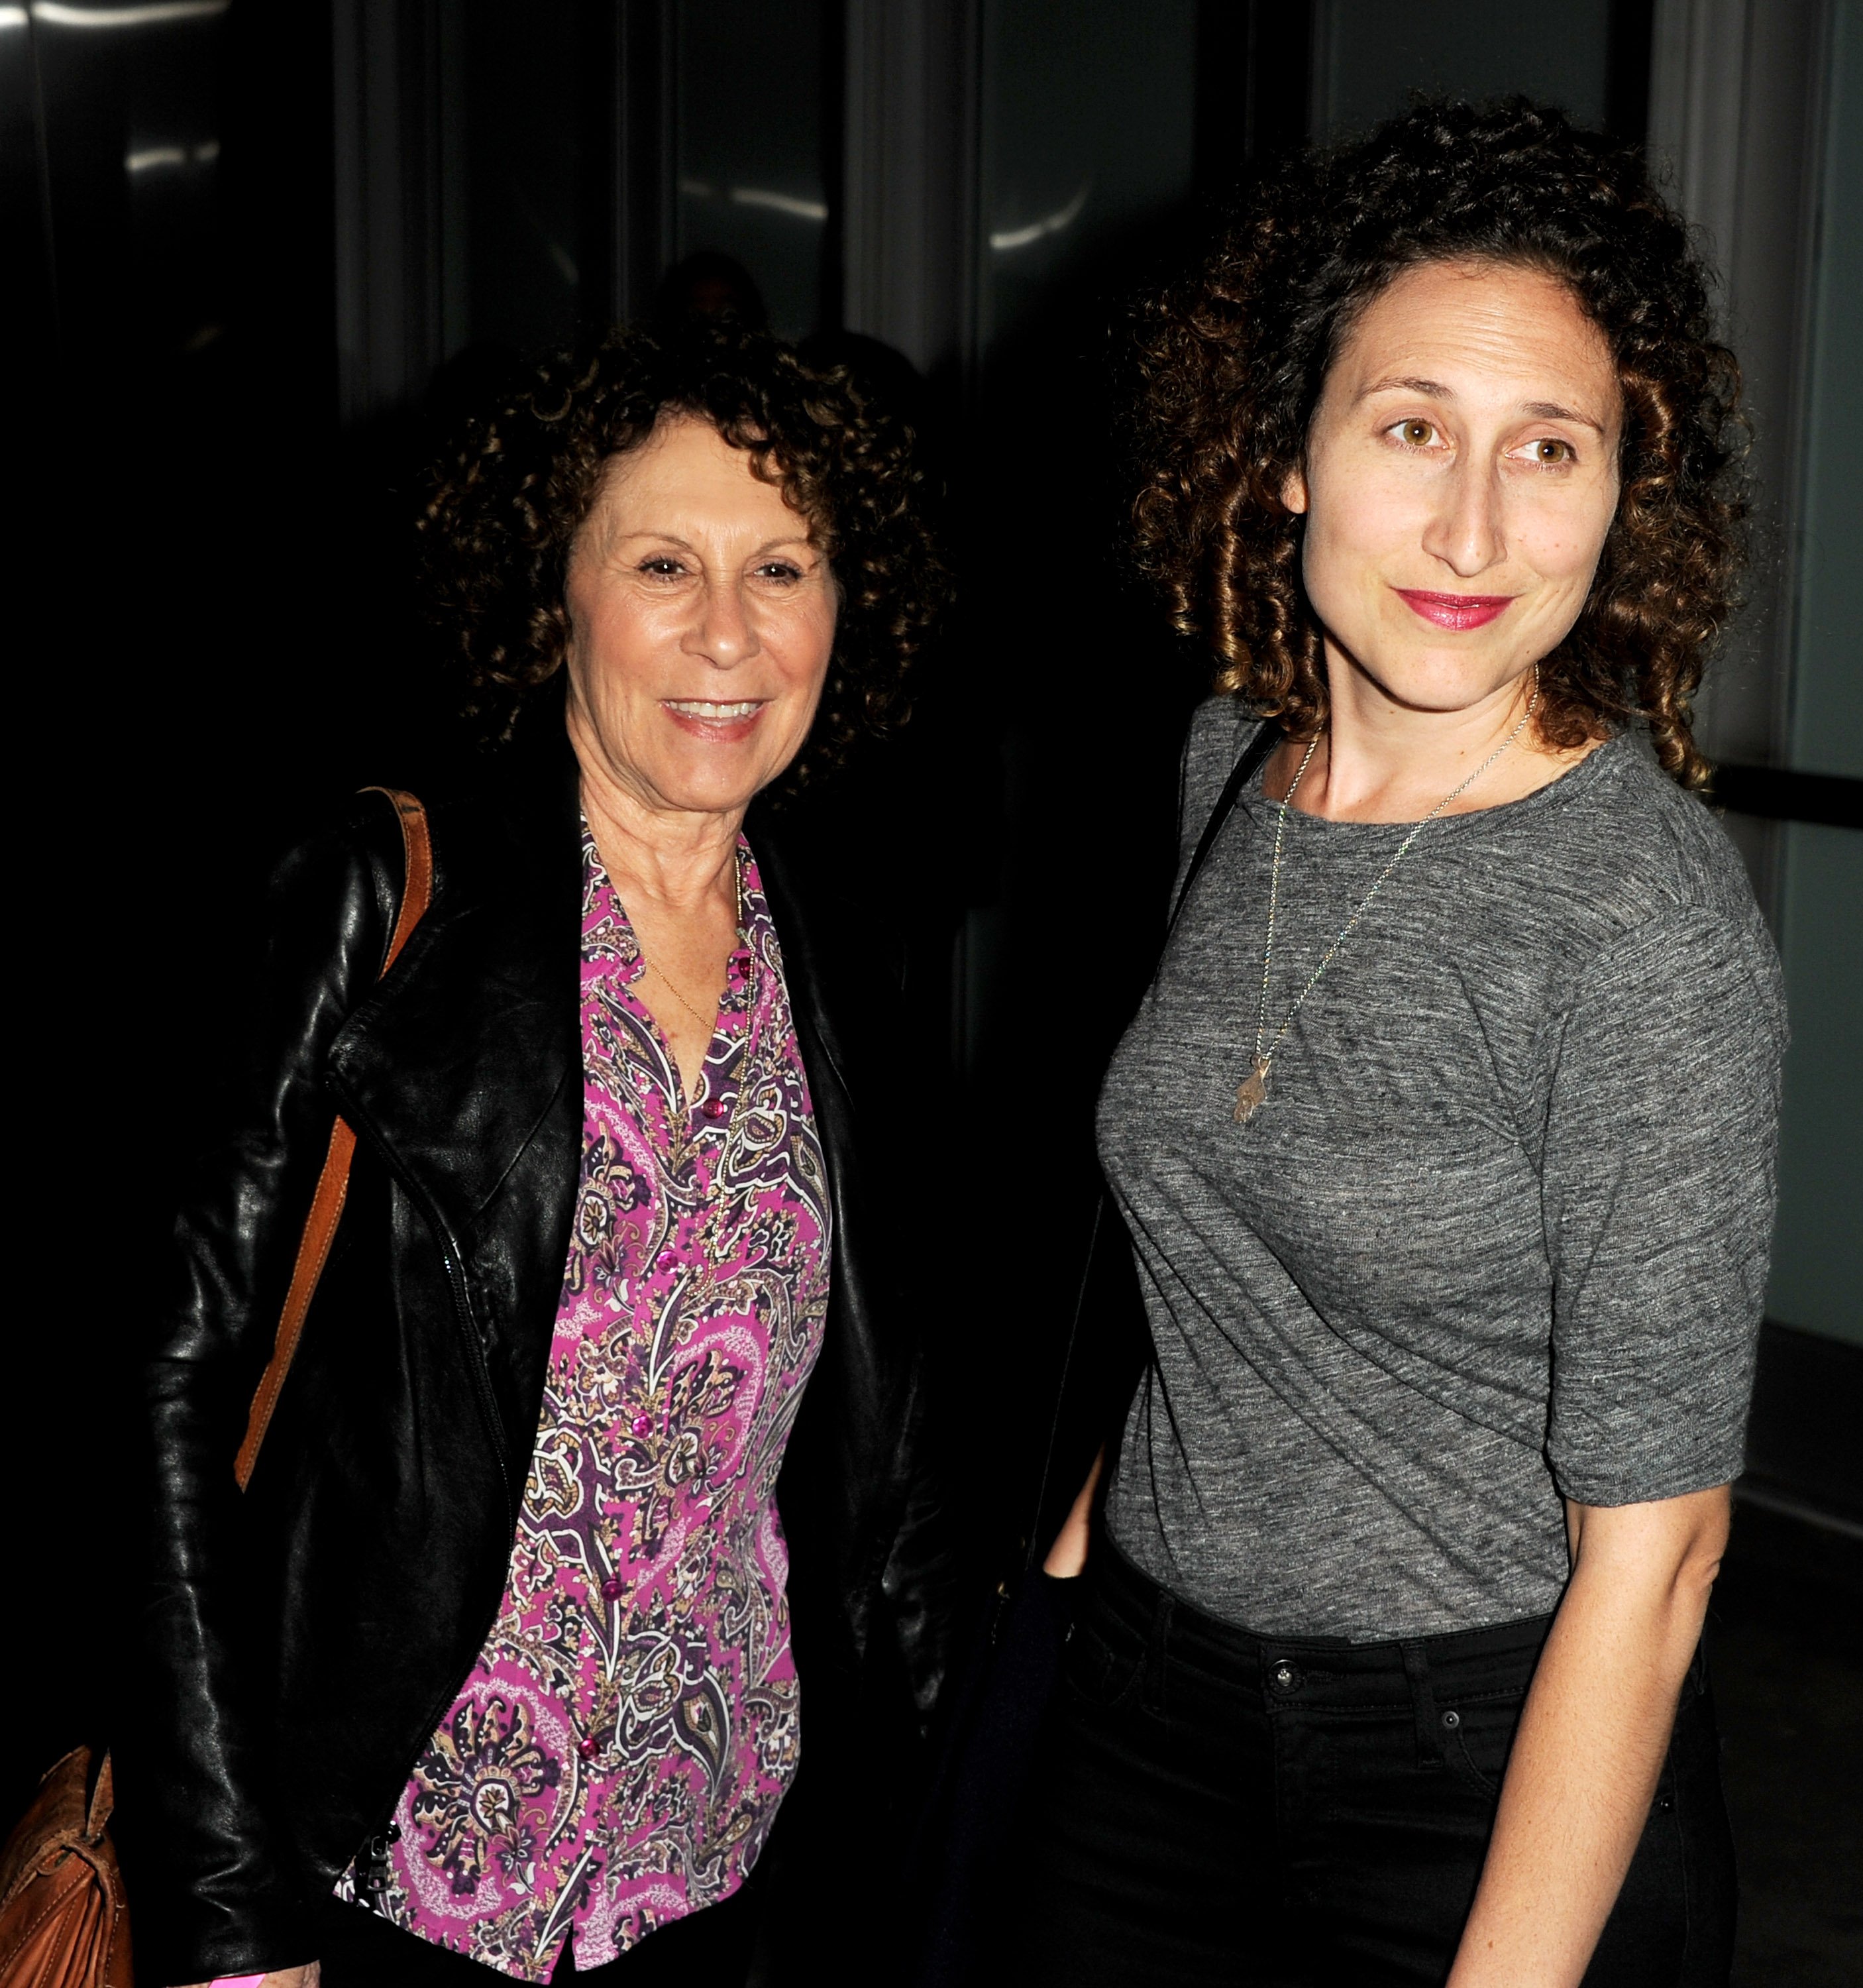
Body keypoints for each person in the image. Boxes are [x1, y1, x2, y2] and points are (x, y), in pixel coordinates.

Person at [1017, 100, 1784, 1987]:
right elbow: (1207, 1246)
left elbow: (1656, 1559)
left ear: (1624, 495)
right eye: (1409, 429)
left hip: (1471, 1777)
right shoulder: (1227, 766)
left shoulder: (1636, 920)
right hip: (1137, 1714)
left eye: (1549, 450)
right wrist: (1041, 1631)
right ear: (1280, 459)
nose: (1473, 529)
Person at [129, 323, 954, 1988]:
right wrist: (229, 1906)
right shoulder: (383, 901)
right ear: (555, 590)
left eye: (781, 566)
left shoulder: (847, 960)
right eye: (663, 563)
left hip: (721, 1870)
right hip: (381, 1884)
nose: (728, 633)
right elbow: (166, 1394)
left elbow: (888, 1458)